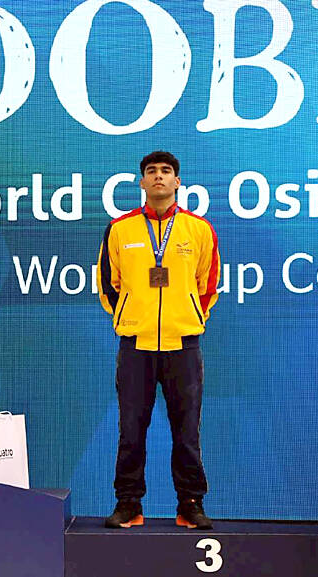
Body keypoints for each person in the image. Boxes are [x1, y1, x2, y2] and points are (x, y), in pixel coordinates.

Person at [96, 151, 220, 530]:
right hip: (136, 344)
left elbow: (208, 284)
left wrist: (188, 317)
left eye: (166, 171)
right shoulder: (120, 229)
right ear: (142, 182)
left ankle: (191, 504)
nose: (159, 177)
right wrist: (130, 317)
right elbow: (108, 283)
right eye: (151, 172)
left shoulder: (199, 229)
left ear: (177, 182)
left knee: (187, 431)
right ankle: (128, 503)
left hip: (183, 344)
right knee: (131, 430)